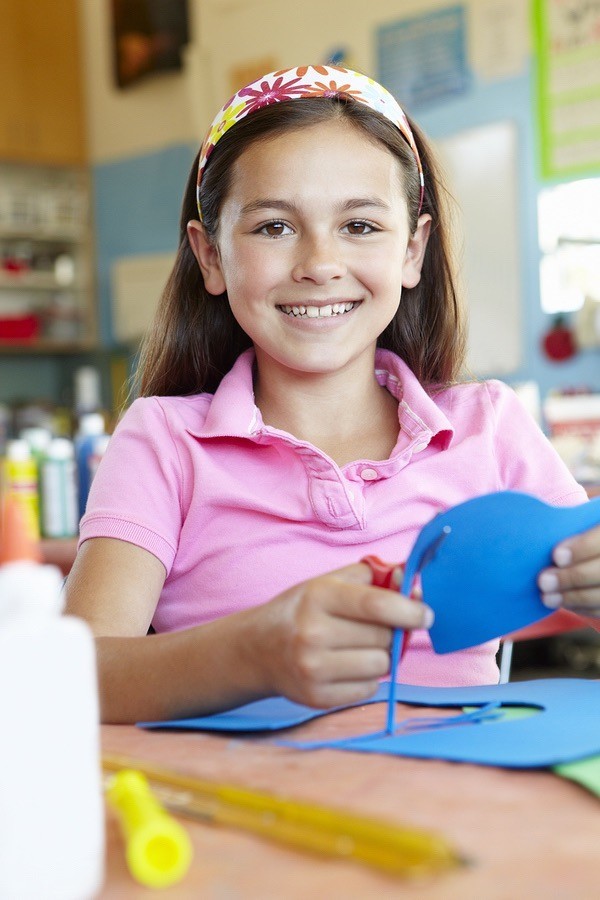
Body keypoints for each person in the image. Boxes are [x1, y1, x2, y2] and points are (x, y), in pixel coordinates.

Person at [65, 65, 599, 724]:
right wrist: (253, 655)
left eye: (360, 227)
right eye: (273, 227)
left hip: (461, 809)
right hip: (246, 816)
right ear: (210, 257)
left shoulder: (488, 429)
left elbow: (582, 568)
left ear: (413, 249)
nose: (320, 263)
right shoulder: (163, 442)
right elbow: (70, 677)